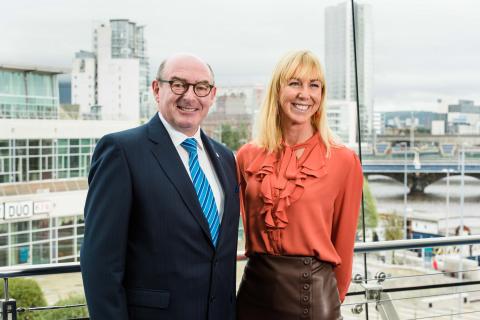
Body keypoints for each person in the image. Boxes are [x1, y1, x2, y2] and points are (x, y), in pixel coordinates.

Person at [81, 53, 240, 320]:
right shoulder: (122, 152)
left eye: (201, 87)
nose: (190, 96)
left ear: (212, 95)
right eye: (178, 84)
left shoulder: (225, 159)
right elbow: (100, 265)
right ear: (157, 89)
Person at [236, 50, 363, 320]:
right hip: (252, 295)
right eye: (295, 83)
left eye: (314, 85)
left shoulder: (344, 161)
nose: (305, 94)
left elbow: (344, 243)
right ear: (277, 90)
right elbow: (245, 226)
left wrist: (331, 299)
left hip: (312, 299)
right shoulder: (247, 156)